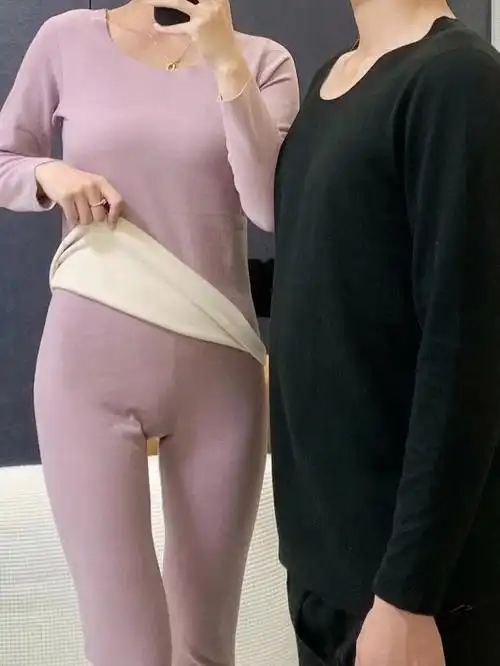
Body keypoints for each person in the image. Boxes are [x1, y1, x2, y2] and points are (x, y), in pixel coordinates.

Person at [0, 1, 299, 664]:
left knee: (205, 645)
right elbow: (5, 157)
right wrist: (48, 173)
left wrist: (225, 62)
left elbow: (269, 206)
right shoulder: (66, 39)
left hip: (220, 370)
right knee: (125, 648)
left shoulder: (262, 61)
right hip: (87, 373)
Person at [269, 0, 500, 664]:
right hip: (322, 567)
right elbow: (329, 278)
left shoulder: (459, 80)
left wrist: (407, 595)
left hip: (410, 591)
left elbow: (467, 350)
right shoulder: (330, 79)